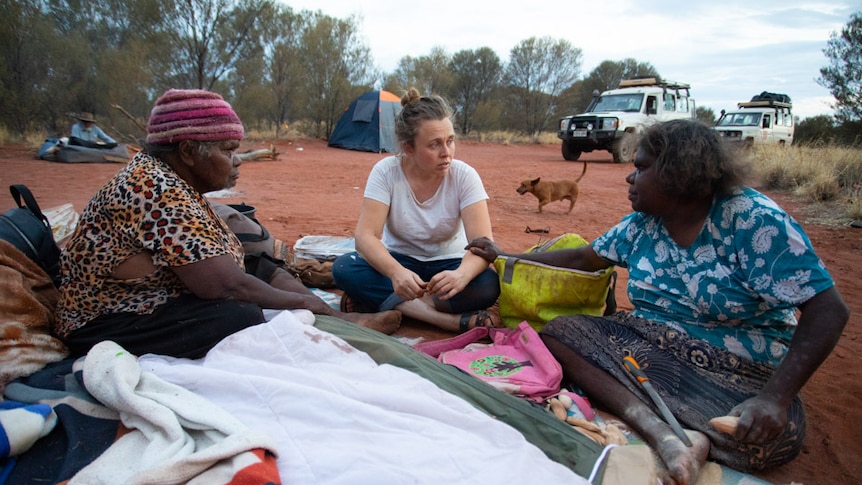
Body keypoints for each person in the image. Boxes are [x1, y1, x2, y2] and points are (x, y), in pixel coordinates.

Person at [467, 119, 849, 485]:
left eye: (641, 168)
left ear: (678, 173)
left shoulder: (752, 220)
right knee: (560, 333)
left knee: (774, 433)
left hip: (737, 367)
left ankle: (670, 425)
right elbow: (584, 258)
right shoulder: (643, 223)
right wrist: (506, 254)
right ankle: (664, 432)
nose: (630, 178)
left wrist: (774, 399)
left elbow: (828, 309)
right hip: (652, 345)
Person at [55, 89, 401, 359]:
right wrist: (304, 302)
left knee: (257, 265)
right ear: (188, 151)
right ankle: (323, 316)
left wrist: (306, 302)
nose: (236, 160)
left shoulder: (164, 176)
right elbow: (222, 287)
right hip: (106, 320)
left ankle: (333, 319)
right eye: (228, 149)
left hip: (147, 293)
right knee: (237, 314)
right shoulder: (155, 188)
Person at [332, 88, 501, 333]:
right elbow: (365, 237)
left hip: (449, 265)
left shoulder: (464, 176)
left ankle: (394, 305)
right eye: (434, 145)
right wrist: (396, 273)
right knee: (345, 268)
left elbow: (482, 244)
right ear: (408, 148)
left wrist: (462, 275)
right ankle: (446, 320)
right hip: (400, 261)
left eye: (450, 141)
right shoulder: (386, 172)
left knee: (488, 285)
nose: (447, 153)